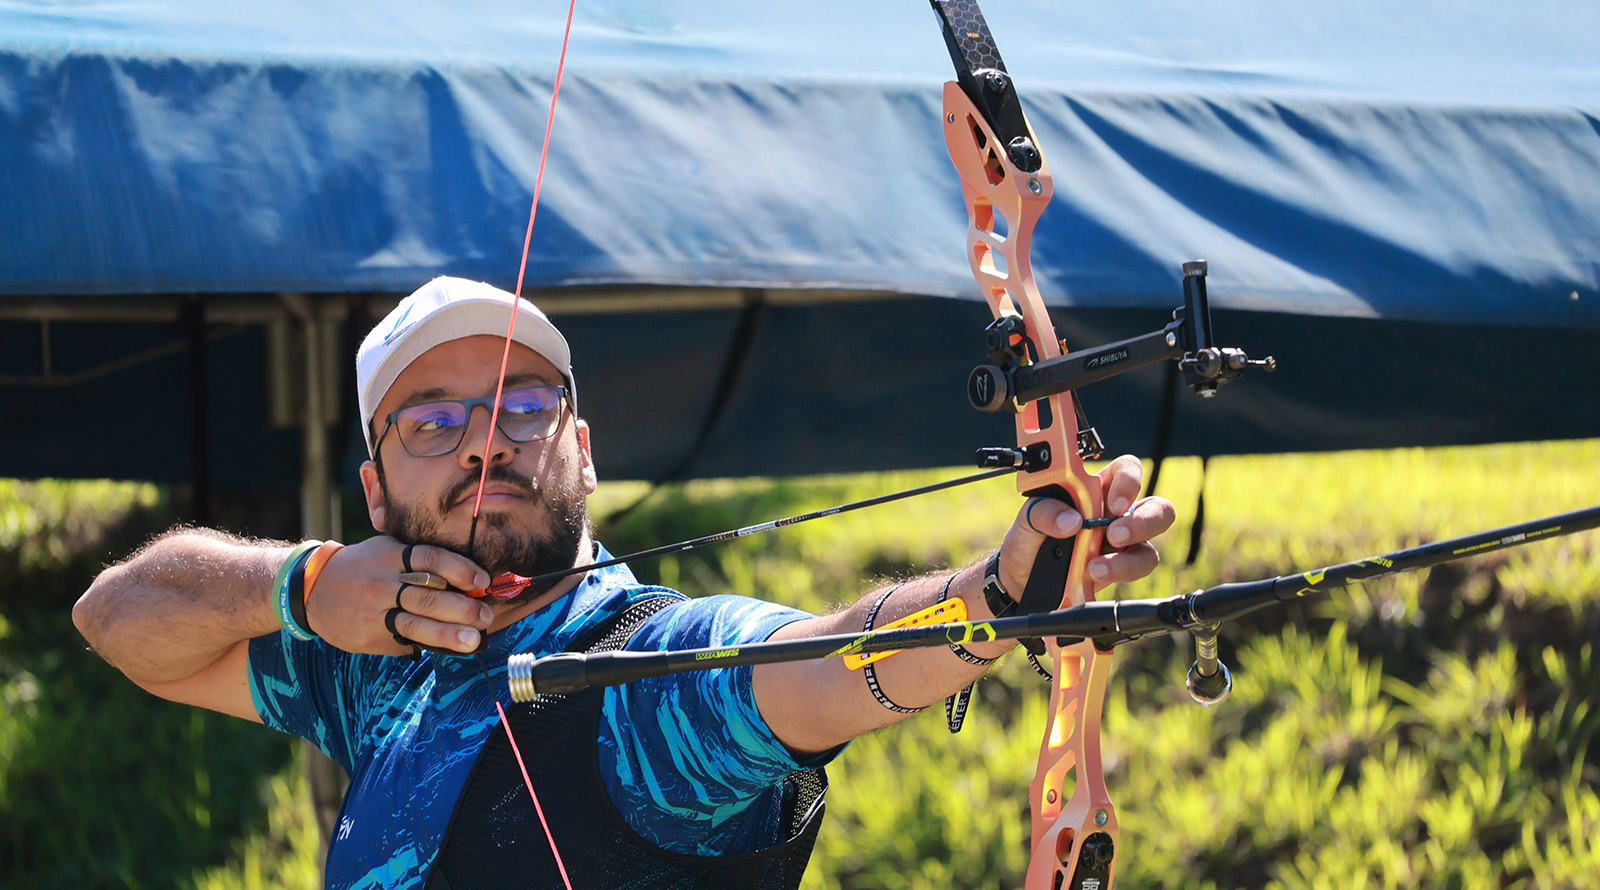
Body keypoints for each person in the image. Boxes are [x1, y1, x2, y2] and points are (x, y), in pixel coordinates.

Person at [73, 277, 1175, 890]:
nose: (482, 443)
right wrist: (302, 583)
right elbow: (116, 617)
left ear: (585, 451)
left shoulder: (647, 668)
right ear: (374, 485)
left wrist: (997, 596)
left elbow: (818, 667)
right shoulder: (372, 664)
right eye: (433, 419)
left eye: (521, 406)